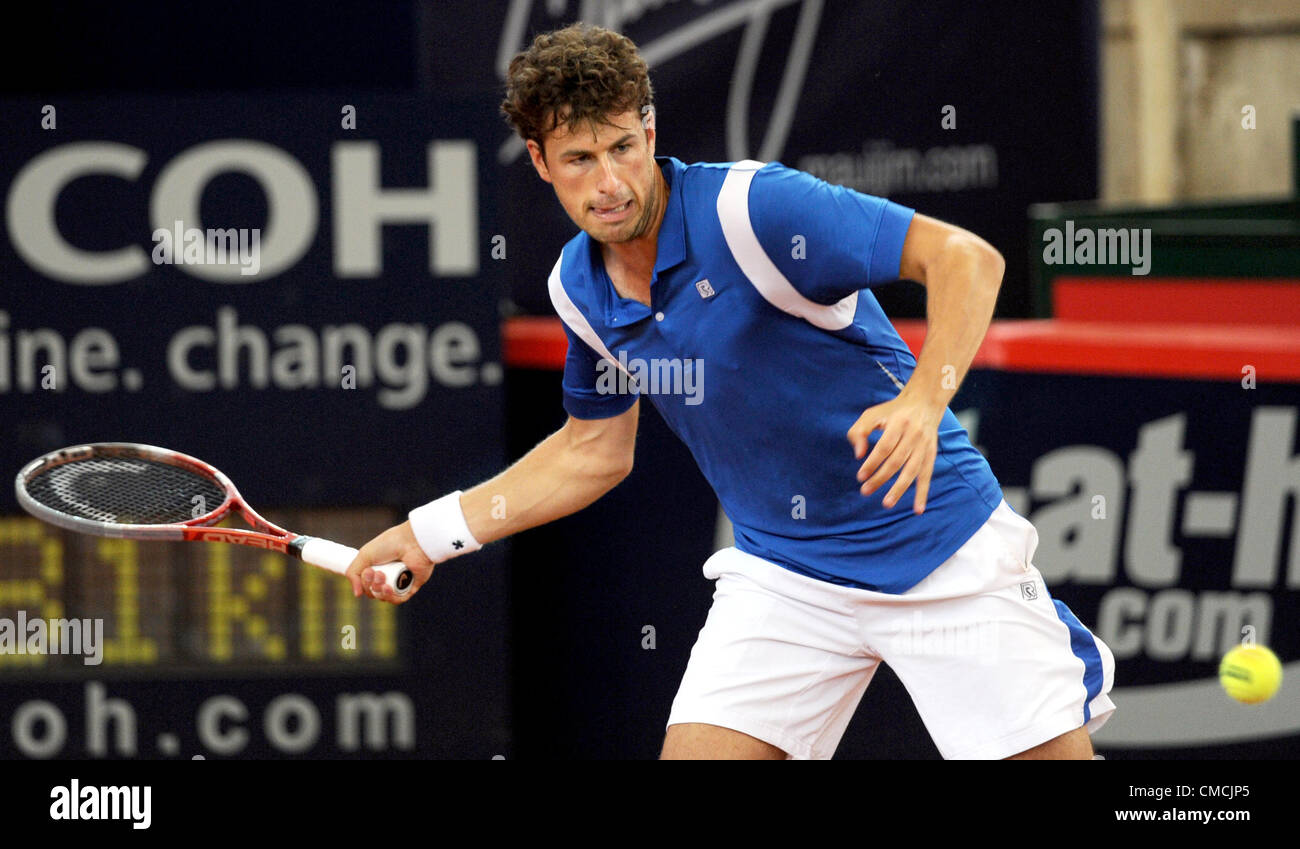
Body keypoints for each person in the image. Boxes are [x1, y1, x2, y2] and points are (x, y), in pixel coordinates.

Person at [346, 22, 1115, 760]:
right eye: (579, 159)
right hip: (783, 574)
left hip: (936, 548)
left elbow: (966, 260)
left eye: (622, 146)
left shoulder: (756, 211)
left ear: (650, 132)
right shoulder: (577, 290)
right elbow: (593, 452)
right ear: (541, 162)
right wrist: (431, 532)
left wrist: (923, 399)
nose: (609, 183)